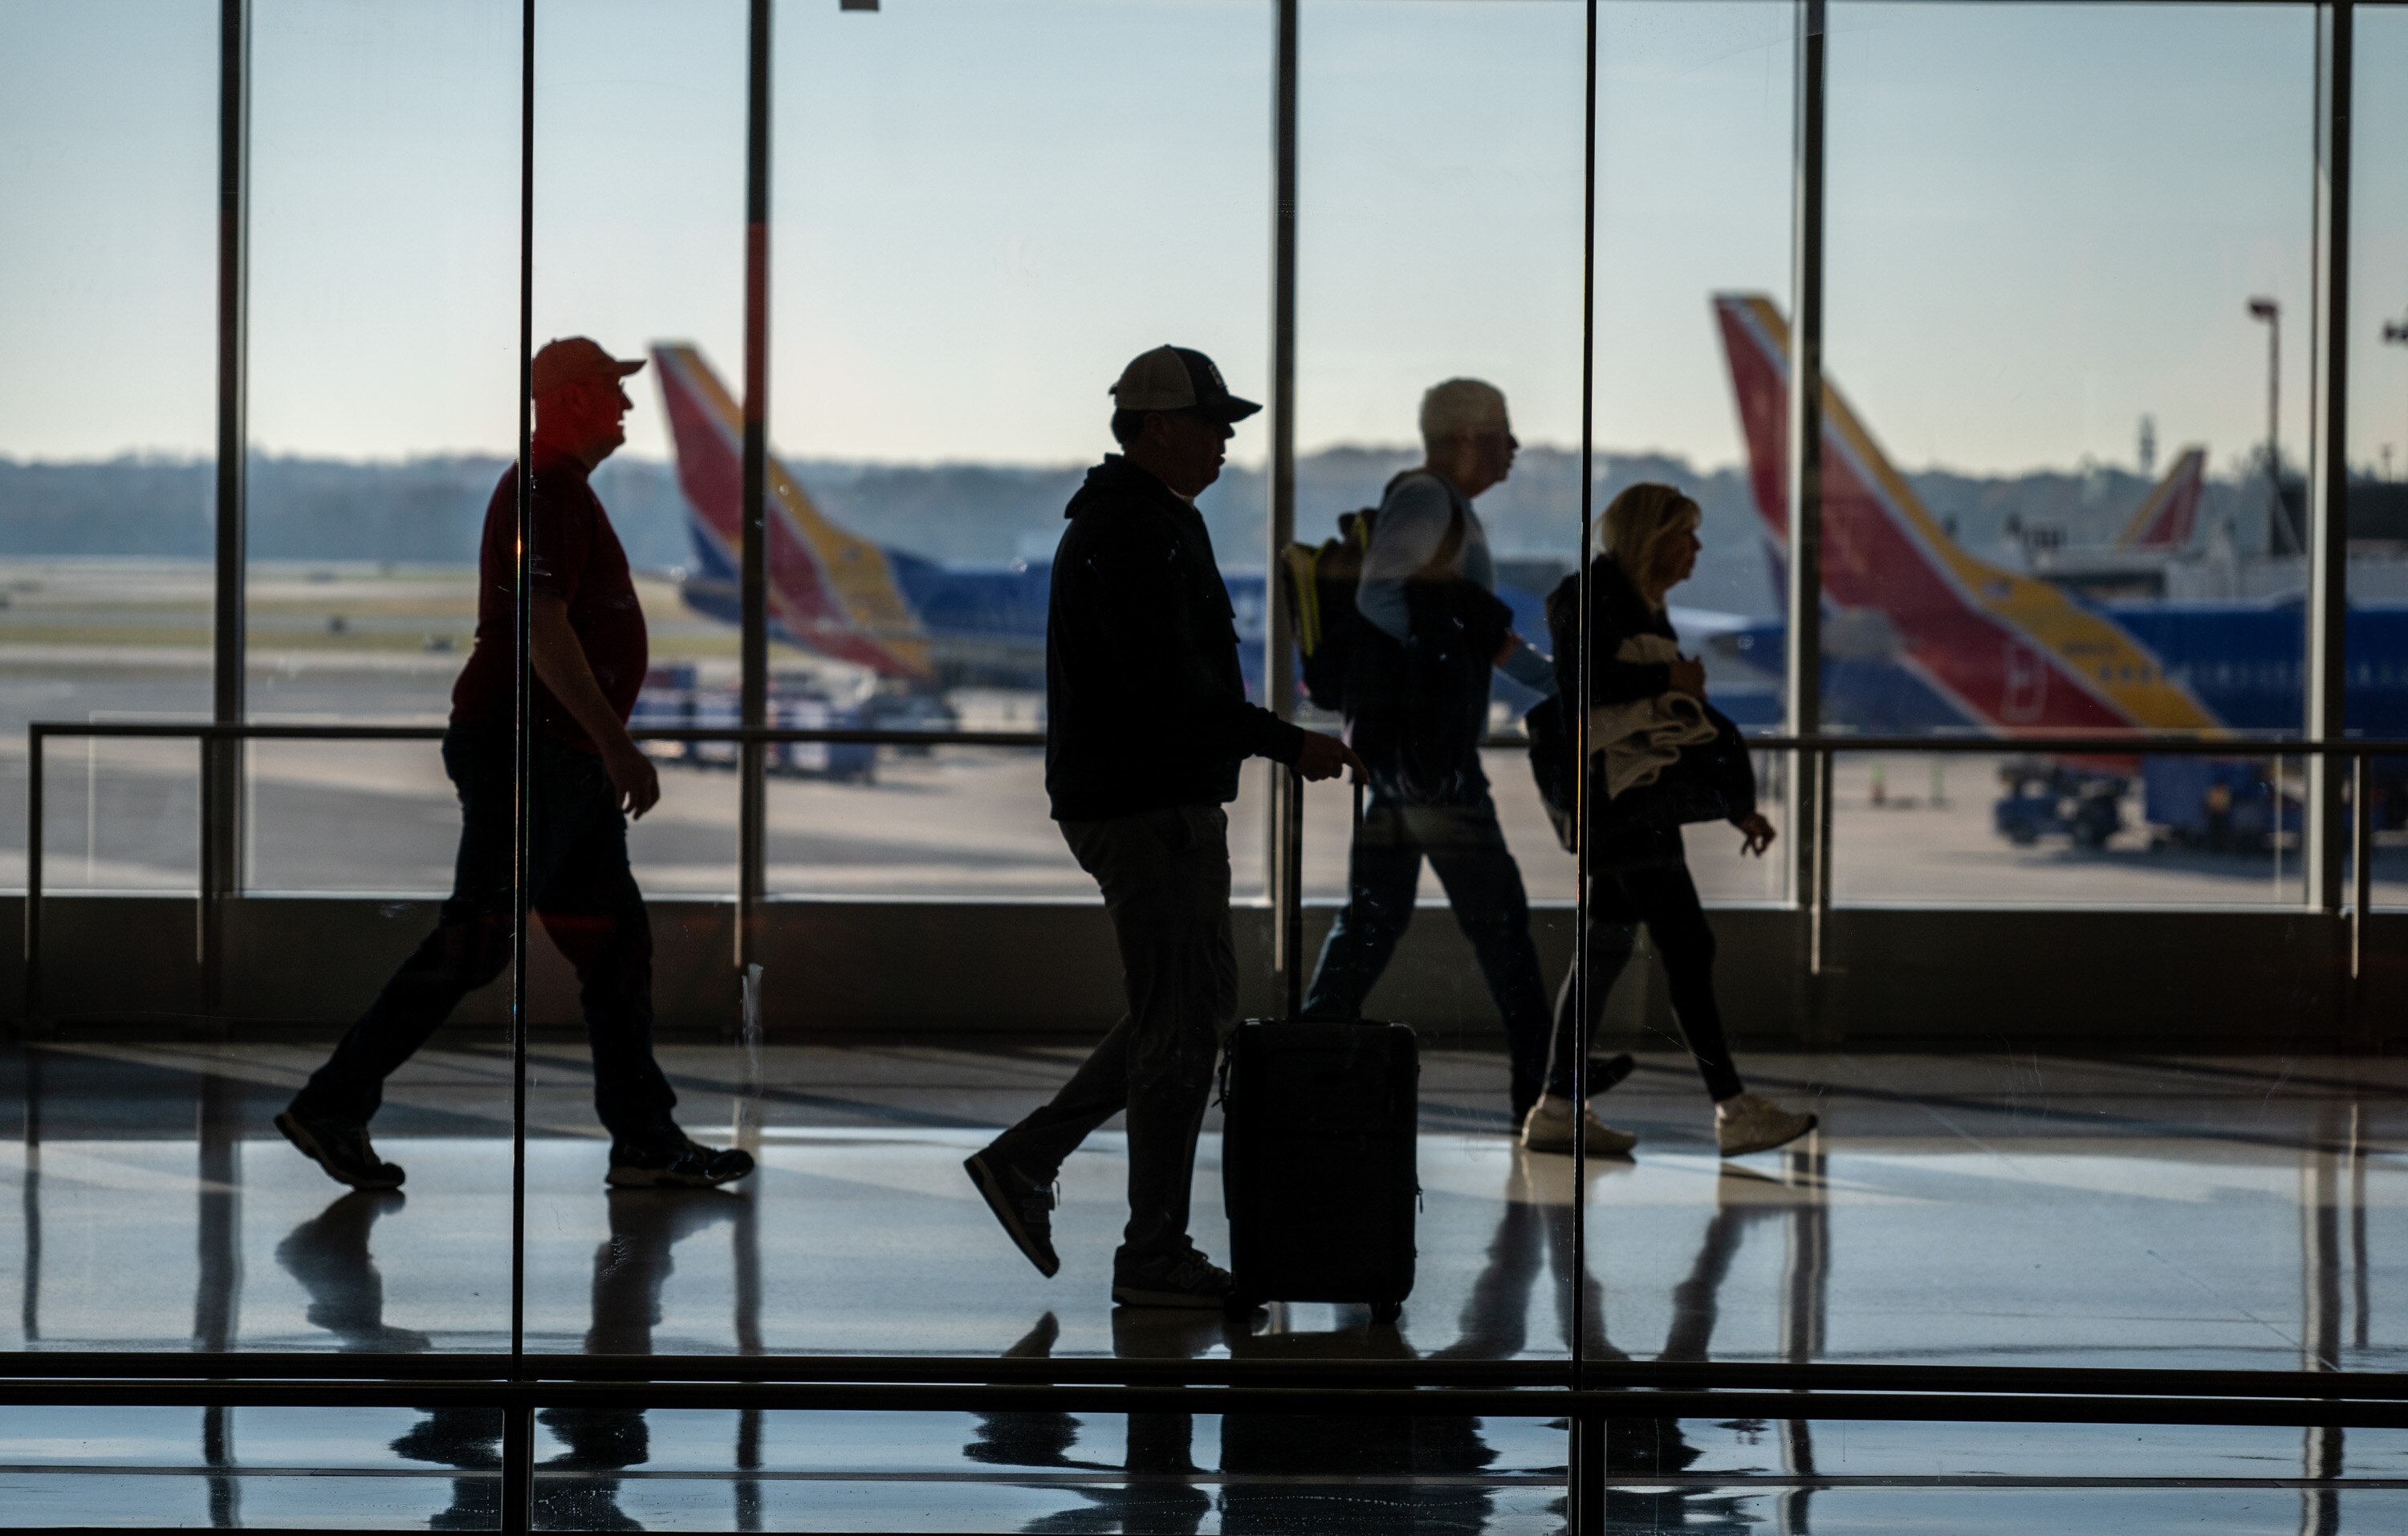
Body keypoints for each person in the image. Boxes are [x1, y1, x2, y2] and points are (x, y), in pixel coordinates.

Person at [276, 337, 755, 1193]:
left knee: (610, 949)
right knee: (476, 944)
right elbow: (542, 628)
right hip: (537, 756)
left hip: (550, 758)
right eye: (613, 389)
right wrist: (616, 743)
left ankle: (644, 1139)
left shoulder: (550, 489)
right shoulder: (550, 490)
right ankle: (332, 1104)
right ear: (570, 397)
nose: (627, 407)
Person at [964, 344, 1362, 1310]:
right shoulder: (1135, 532)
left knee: (1185, 1012)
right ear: (1156, 428)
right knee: (1181, 1027)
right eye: (1213, 422)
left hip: (1150, 806)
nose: (1227, 439)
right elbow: (1171, 688)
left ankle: (1031, 1159)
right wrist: (1283, 742)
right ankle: (1151, 1255)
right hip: (1148, 811)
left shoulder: (1140, 523)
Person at [1292, 379, 1585, 1152]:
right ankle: (1548, 1090)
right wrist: (1447, 656)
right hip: (1431, 762)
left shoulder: (1448, 511)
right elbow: (1382, 599)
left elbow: (1469, 631)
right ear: (1463, 435)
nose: (1515, 448)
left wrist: (1556, 680)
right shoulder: (1427, 501)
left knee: (1375, 923)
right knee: (1499, 927)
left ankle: (1301, 1068)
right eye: (1503, 432)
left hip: (1407, 760)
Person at [1544, 482, 1816, 1158]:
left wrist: (1738, 802)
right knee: (1687, 947)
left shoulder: (1641, 606)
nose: (1696, 550)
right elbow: (1587, 685)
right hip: (1626, 807)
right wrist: (1666, 682)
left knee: (1605, 956)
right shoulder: (1593, 597)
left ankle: (1555, 1107)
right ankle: (1732, 1109)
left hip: (1633, 805)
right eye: (1685, 535)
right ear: (1652, 537)